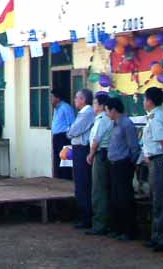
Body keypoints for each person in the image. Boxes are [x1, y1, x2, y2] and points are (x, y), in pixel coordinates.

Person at [106, 97, 141, 241]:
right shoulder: (114, 124)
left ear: (114, 110)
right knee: (115, 197)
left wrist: (129, 163)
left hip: (123, 164)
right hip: (114, 164)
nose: (107, 113)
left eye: (108, 110)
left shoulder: (126, 124)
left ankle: (129, 230)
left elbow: (134, 147)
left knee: (125, 197)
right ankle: (118, 228)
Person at [142, 87, 163, 251]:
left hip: (159, 161)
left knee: (159, 200)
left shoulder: (157, 117)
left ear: (150, 101)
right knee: (155, 199)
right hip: (153, 160)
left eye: (145, 99)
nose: (143, 102)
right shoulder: (153, 116)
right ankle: (156, 235)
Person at [67, 89, 96, 229]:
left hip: (82, 149)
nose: (75, 100)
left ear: (83, 99)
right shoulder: (83, 113)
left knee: (83, 183)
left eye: (77, 98)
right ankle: (83, 216)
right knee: (80, 183)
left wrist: (70, 131)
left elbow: (73, 131)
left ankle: (86, 218)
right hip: (78, 149)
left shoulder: (87, 113)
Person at [85, 93, 113, 235]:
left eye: (95, 103)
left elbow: (96, 139)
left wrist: (90, 153)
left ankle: (100, 224)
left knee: (99, 190)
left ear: (102, 106)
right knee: (102, 189)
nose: (93, 105)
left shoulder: (103, 120)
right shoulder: (104, 119)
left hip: (100, 154)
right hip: (103, 154)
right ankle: (103, 222)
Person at [51, 89, 75, 179]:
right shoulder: (56, 108)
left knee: (65, 159)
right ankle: (59, 180)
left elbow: (72, 123)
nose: (51, 99)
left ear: (57, 98)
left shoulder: (66, 107)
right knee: (57, 159)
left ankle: (66, 179)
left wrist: (68, 136)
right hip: (56, 137)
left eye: (53, 97)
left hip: (64, 136)